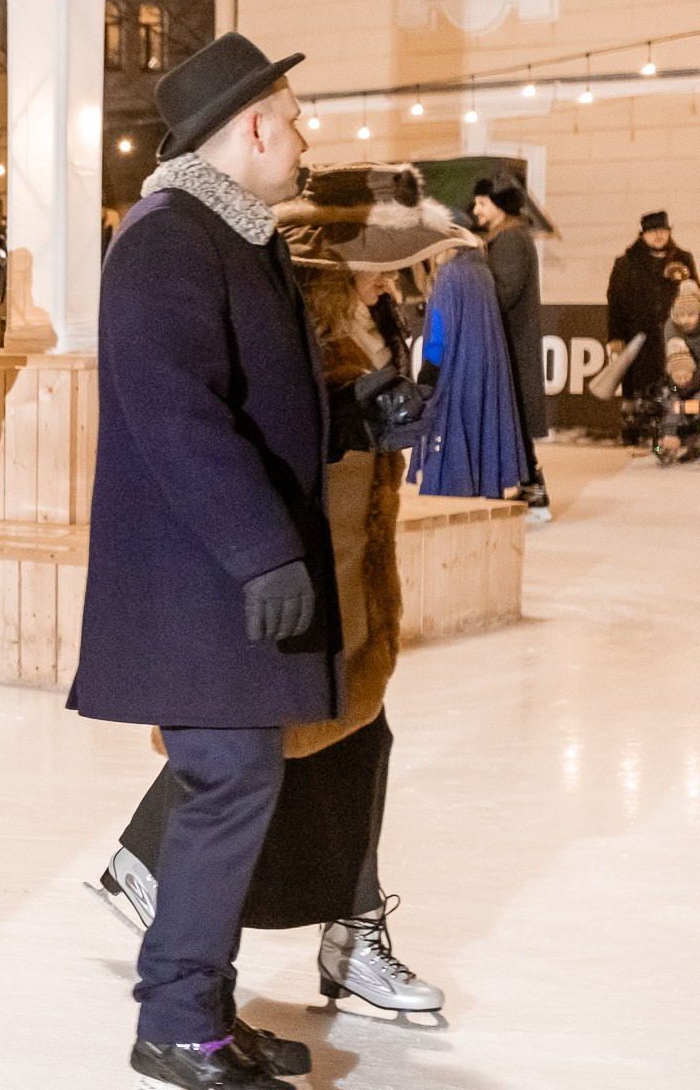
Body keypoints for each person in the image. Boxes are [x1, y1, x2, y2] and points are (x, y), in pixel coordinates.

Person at [96, 164, 454, 1022]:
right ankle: (208, 949)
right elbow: (231, 434)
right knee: (262, 748)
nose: (392, 276)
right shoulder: (291, 318)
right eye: (376, 260)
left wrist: (379, 418)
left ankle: (322, 928)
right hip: (295, 576)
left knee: (333, 741)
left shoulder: (364, 320)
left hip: (343, 575)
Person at [71, 33, 339, 1090]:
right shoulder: (169, 240)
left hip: (219, 571)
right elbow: (176, 411)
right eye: (296, 115)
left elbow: (250, 392)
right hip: (201, 577)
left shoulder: (227, 236)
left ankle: (201, 1008)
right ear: (253, 126)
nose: (308, 135)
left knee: (235, 780)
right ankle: (177, 1028)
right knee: (226, 781)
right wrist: (259, 548)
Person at [412, 239, 529, 500]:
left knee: (448, 448)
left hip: (455, 375)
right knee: (479, 437)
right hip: (482, 373)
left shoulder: (448, 275)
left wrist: (428, 375)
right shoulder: (482, 272)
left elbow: (439, 331)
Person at [467, 178, 549, 516]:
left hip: (512, 346)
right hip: (508, 343)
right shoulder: (505, 237)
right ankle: (531, 489)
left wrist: (469, 285)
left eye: (482, 203)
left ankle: (535, 491)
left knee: (515, 417)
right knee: (513, 420)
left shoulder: (511, 239)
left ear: (499, 206)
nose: (476, 210)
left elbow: (502, 293)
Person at [604, 210, 695, 408]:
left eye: (662, 230)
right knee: (637, 391)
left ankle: (675, 428)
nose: (658, 235)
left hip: (675, 338)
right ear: (643, 234)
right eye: (652, 231)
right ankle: (634, 426)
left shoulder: (683, 260)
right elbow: (615, 303)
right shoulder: (626, 263)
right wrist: (615, 337)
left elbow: (694, 298)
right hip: (637, 339)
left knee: (677, 385)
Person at [649, 336, 700, 465]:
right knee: (656, 444)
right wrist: (667, 436)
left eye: (686, 376)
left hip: (693, 428)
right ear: (671, 376)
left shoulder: (697, 388)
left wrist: (682, 408)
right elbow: (666, 414)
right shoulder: (667, 390)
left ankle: (695, 449)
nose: (682, 380)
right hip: (673, 430)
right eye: (678, 377)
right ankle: (662, 452)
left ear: (692, 373)